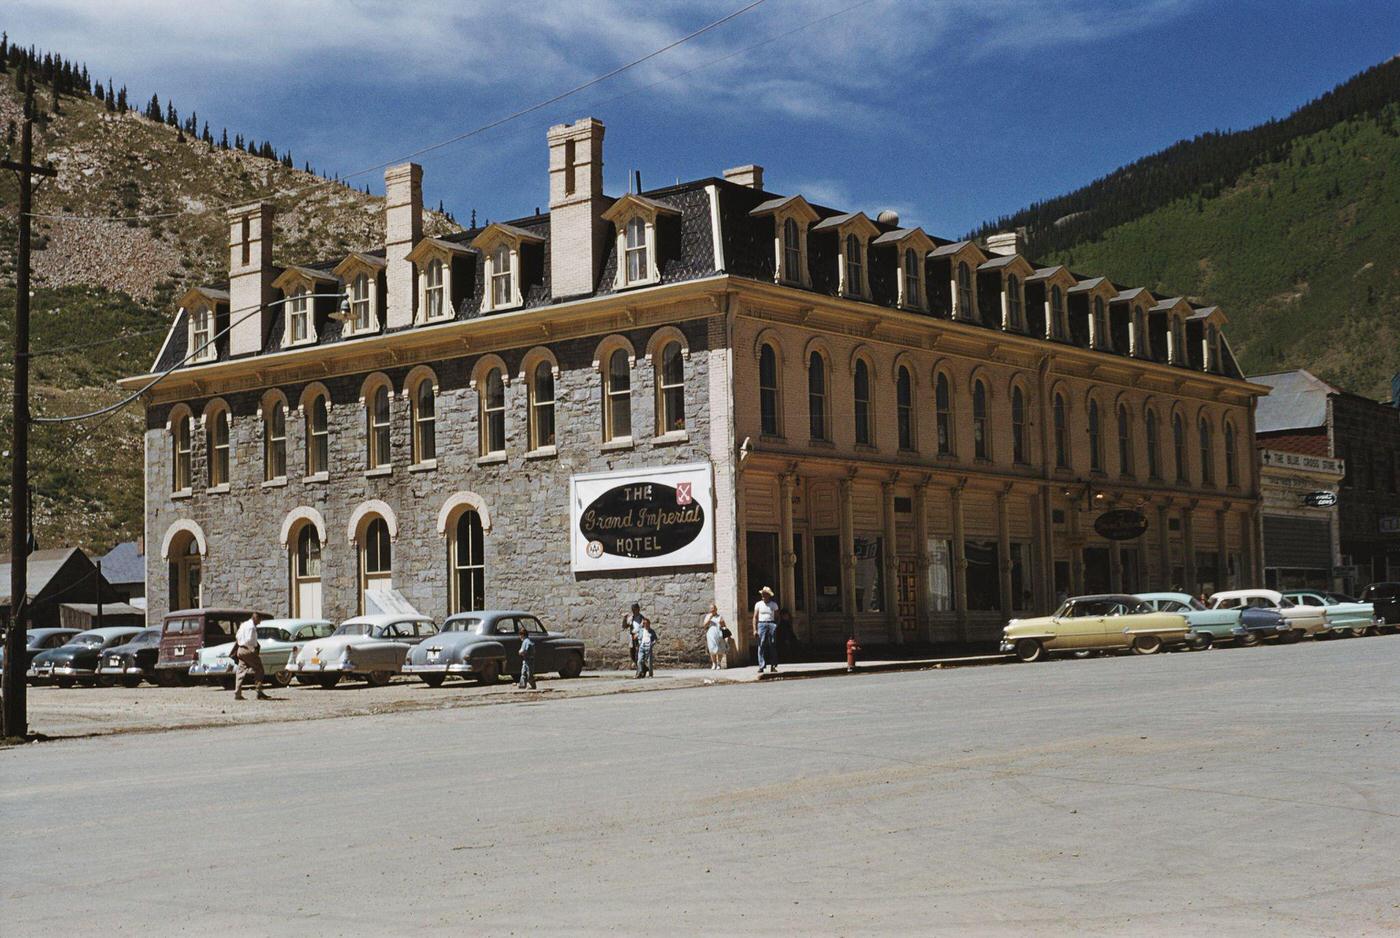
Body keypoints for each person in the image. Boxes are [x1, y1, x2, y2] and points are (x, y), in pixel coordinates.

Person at [232, 614, 268, 700]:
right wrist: (252, 649)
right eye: (259, 620)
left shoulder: (243, 624)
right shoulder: (251, 627)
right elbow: (249, 640)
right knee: (259, 669)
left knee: (240, 671)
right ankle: (259, 691)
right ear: (255, 618)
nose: (259, 622)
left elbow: (237, 636)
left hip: (240, 650)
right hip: (248, 649)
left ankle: (237, 693)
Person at [752, 586, 779, 673]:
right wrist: (755, 629)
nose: (763, 596)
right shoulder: (758, 604)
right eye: (762, 594)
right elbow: (755, 617)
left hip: (771, 623)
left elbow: (778, 616)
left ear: (769, 595)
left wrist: (776, 625)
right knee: (761, 644)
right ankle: (761, 665)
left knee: (772, 644)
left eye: (765, 594)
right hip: (761, 624)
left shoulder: (773, 604)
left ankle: (773, 665)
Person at [622, 603, 649, 668]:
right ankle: (642, 667)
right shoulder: (631, 618)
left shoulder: (642, 618)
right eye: (633, 610)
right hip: (632, 637)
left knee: (638, 652)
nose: (634, 611)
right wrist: (624, 619)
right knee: (632, 653)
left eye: (635, 609)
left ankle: (641, 668)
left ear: (638, 609)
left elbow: (646, 627)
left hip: (640, 637)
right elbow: (624, 626)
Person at [703, 603, 729, 670]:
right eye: (711, 609)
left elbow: (724, 626)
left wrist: (722, 624)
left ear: (716, 609)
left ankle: (719, 663)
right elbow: (704, 626)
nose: (712, 610)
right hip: (711, 634)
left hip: (719, 633)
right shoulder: (708, 616)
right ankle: (714, 663)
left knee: (720, 649)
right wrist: (709, 619)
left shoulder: (720, 616)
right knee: (712, 649)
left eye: (714, 608)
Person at [517, 625, 537, 690]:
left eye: (520, 635)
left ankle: (532, 686)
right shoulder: (527, 641)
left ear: (522, 635)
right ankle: (522, 685)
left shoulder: (526, 641)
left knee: (529, 674)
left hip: (529, 660)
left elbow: (524, 650)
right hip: (526, 660)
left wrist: (520, 652)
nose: (519, 637)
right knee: (523, 673)